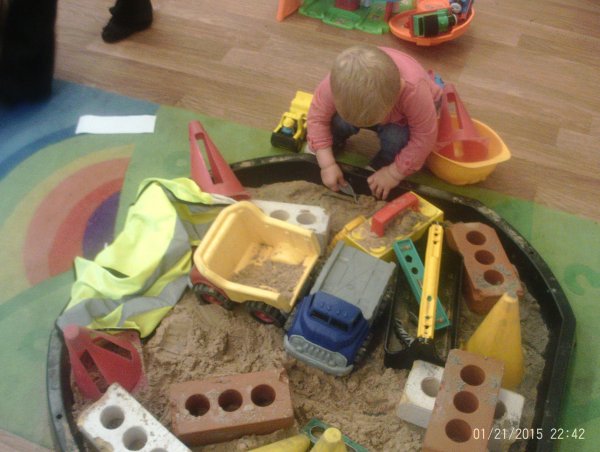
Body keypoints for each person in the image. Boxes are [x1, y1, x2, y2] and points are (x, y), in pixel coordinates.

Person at [306, 45, 443, 200]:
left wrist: (393, 173)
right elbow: (317, 117)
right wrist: (326, 163)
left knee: (396, 137)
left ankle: (381, 166)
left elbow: (424, 137)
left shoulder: (414, 91)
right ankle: (328, 146)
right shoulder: (336, 82)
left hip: (409, 114)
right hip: (384, 105)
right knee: (337, 122)